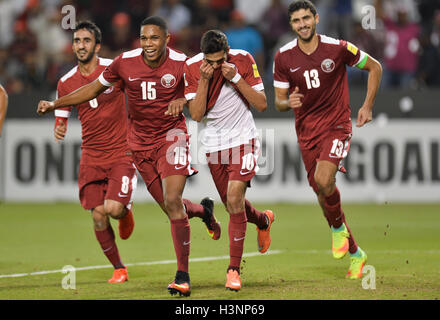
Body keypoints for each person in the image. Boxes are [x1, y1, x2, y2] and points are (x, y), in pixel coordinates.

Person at [37, 16, 221, 297]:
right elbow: (92, 90)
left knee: (172, 201)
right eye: (144, 38)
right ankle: (203, 211)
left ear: (167, 39)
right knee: (169, 206)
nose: (148, 44)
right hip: (140, 144)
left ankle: (182, 276)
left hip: (172, 137)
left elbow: (200, 100)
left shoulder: (183, 62)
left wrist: (183, 100)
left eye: (154, 38)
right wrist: (56, 105)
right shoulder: (124, 62)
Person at [273, 1, 382, 279]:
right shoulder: (283, 57)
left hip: (336, 125)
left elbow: (376, 67)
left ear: (316, 18)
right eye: (297, 20)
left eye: (306, 18)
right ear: (291, 25)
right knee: (323, 195)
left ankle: (336, 230)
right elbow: (278, 102)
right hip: (306, 132)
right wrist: (288, 103)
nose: (303, 24)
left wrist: (367, 106)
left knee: (324, 180)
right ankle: (356, 253)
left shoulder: (338, 48)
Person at [184, 30, 275, 291]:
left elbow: (261, 104)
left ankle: (233, 270)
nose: (215, 66)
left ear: (228, 53)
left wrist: (235, 77)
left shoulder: (243, 60)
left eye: (219, 61)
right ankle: (263, 220)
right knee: (232, 205)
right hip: (214, 146)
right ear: (203, 56)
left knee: (234, 199)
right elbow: (198, 115)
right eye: (210, 61)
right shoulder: (193, 68)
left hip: (243, 139)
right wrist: (204, 80)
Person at [52, 21, 137, 283]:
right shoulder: (66, 82)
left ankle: (125, 212)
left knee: (112, 209)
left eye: (86, 41)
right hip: (91, 155)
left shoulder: (114, 68)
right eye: (77, 41)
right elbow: (63, 111)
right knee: (98, 215)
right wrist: (60, 125)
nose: (80, 45)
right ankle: (119, 268)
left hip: (121, 151)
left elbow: (136, 89)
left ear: (97, 46)